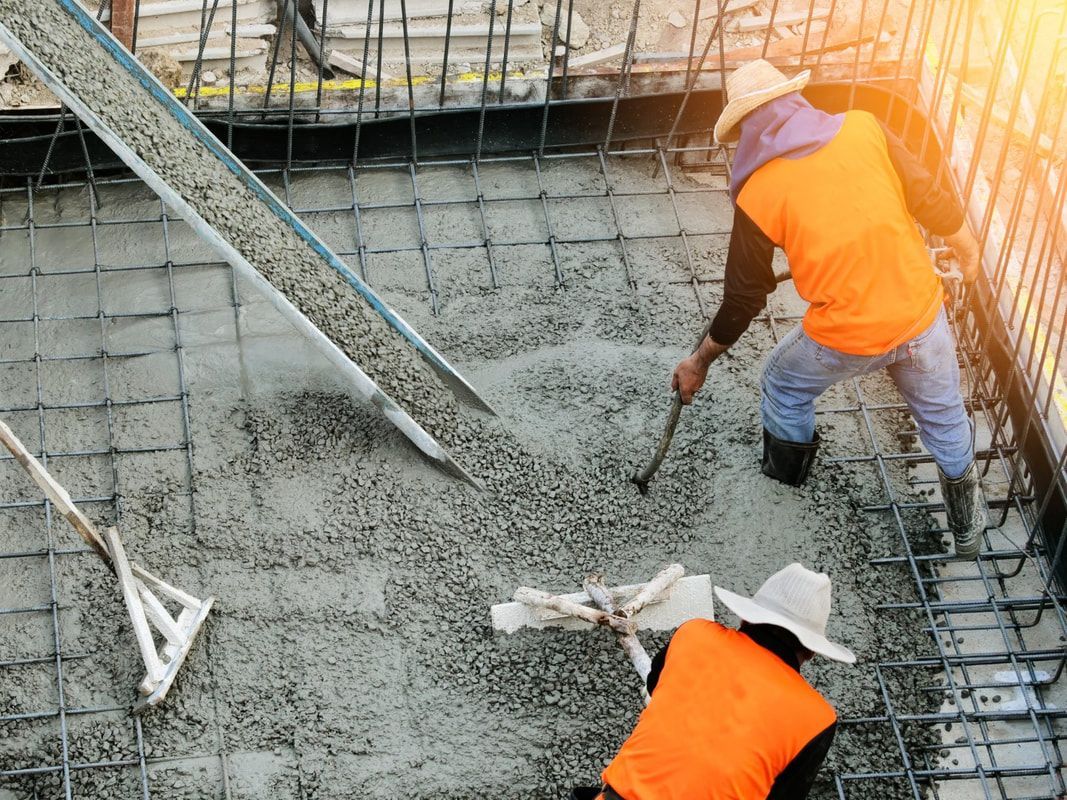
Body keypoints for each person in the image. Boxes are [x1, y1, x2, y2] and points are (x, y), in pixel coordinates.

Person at [671, 59, 986, 558]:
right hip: (923, 314)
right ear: (796, 101)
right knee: (945, 418)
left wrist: (699, 360)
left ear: (747, 128)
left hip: (847, 337)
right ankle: (969, 530)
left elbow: (745, 297)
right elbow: (930, 198)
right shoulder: (866, 128)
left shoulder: (759, 192)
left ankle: (784, 486)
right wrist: (969, 254)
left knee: (781, 381)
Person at [577, 563, 854, 800]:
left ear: (747, 617)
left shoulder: (694, 634)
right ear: (812, 651)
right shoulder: (817, 718)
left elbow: (655, 686)